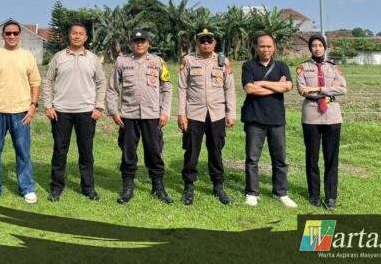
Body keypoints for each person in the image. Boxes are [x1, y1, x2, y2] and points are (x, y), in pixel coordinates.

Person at [0, 20, 41, 204]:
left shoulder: (27, 56)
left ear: (20, 35)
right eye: (8, 33)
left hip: (21, 111)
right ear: (3, 35)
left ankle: (27, 188)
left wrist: (33, 106)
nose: (12, 36)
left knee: (23, 151)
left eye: (15, 33)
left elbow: (36, 83)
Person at [106, 30, 173, 204]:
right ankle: (127, 188)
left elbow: (166, 88)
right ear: (131, 44)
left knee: (154, 152)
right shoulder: (122, 62)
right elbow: (112, 88)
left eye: (142, 41)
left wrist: (165, 111)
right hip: (128, 115)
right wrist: (114, 111)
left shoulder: (158, 62)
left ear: (148, 43)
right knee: (128, 152)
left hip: (152, 115)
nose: (139, 44)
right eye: (136, 41)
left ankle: (158, 187)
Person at [42, 23, 106, 201]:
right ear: (69, 36)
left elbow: (101, 82)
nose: (77, 36)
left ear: (86, 38)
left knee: (86, 152)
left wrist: (99, 106)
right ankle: (56, 188)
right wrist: (48, 105)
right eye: (74, 33)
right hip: (60, 112)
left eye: (80, 34)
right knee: (59, 151)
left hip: (86, 112)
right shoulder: (59, 57)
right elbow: (47, 81)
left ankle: (88, 188)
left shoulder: (93, 58)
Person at [178, 28, 236, 206]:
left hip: (216, 114)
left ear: (214, 43)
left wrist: (231, 113)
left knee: (216, 150)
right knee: (191, 151)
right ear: (197, 43)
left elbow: (229, 89)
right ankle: (189, 185)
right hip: (194, 114)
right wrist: (181, 114)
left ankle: (218, 186)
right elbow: (182, 88)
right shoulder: (188, 60)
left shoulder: (223, 61)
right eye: (202, 41)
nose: (206, 44)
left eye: (209, 41)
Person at [241, 31, 297, 208]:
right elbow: (250, 89)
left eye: (268, 46)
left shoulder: (281, 66)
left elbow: (288, 86)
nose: (265, 49)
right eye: (262, 46)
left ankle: (281, 193)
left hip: (276, 119)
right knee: (252, 158)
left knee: (280, 159)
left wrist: (262, 83)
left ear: (274, 48)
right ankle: (252, 193)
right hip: (254, 118)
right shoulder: (248, 66)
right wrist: (276, 86)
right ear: (256, 48)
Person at [296, 34, 347, 210]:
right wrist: (328, 89)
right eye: (314, 45)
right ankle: (314, 194)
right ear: (310, 48)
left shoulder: (334, 67)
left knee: (331, 158)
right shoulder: (303, 67)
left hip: (332, 115)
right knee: (312, 157)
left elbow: (342, 88)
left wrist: (318, 88)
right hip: (311, 115)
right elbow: (302, 90)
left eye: (320, 45)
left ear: (325, 47)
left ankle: (331, 196)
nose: (317, 48)